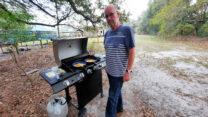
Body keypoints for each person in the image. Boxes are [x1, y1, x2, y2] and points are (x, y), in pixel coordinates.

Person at [104, 5, 135, 117]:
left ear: (118, 14)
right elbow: (108, 51)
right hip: (110, 71)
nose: (109, 18)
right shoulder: (107, 34)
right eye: (106, 16)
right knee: (116, 92)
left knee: (112, 97)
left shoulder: (126, 30)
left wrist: (128, 71)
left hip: (119, 73)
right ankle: (120, 107)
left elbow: (132, 52)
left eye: (111, 14)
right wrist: (107, 65)